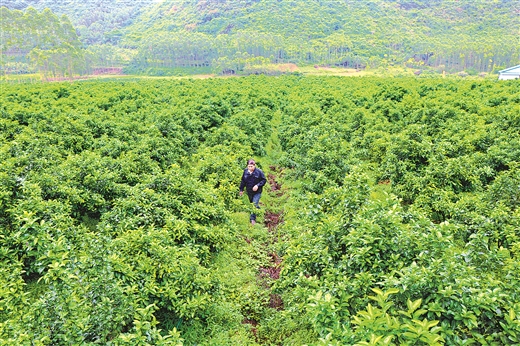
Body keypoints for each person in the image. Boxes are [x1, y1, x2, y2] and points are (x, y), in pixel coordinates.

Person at [239, 159, 267, 225]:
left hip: (257, 192)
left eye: (251, 166)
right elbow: (243, 181)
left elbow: (264, 180)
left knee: (254, 204)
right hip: (249, 191)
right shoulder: (245, 172)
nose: (250, 168)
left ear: (254, 166)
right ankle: (260, 211)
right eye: (249, 166)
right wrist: (241, 190)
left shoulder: (259, 172)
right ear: (247, 166)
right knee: (253, 204)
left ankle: (252, 219)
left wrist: (257, 185)